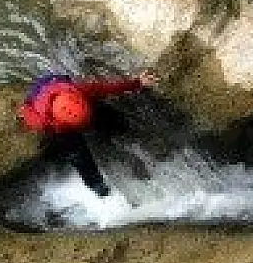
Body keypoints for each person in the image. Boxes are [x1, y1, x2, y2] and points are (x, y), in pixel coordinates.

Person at [19, 70, 159, 196]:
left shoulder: (79, 90)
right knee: (78, 156)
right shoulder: (41, 120)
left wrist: (138, 82)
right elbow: (26, 110)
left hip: (59, 86)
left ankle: (120, 129)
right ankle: (98, 186)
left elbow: (108, 88)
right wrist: (24, 109)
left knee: (107, 117)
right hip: (54, 114)